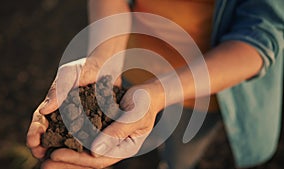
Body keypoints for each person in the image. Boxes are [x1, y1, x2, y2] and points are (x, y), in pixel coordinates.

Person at [26, 0, 284, 169]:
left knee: (182, 150)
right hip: (129, 61)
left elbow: (261, 37)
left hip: (204, 88)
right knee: (121, 127)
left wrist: (159, 94)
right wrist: (104, 58)